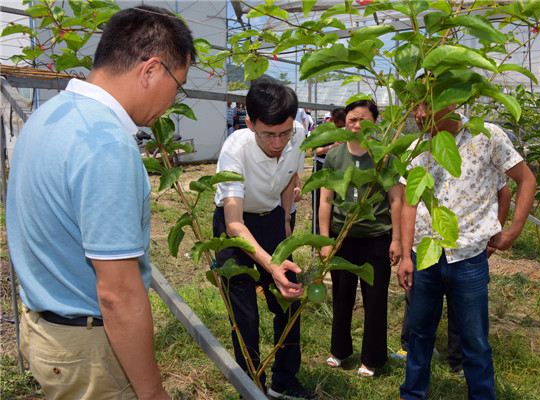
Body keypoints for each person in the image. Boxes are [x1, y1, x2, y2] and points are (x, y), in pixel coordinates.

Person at [6, 6, 196, 400]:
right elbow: (117, 295)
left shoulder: (48, 116)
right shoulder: (107, 144)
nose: (173, 98)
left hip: (44, 328)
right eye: (179, 84)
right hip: (89, 347)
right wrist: (152, 391)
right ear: (152, 70)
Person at [397, 96, 536, 399]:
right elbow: (409, 203)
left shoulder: (486, 136)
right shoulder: (417, 148)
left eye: (427, 104)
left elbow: (526, 180)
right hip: (425, 255)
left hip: (468, 258)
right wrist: (406, 255)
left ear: (452, 101)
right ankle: (412, 394)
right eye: (415, 106)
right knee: (420, 334)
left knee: (474, 340)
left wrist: (512, 231)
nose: (419, 113)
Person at [212, 78, 316, 399]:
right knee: (245, 315)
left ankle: (284, 382)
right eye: (268, 134)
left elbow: (290, 178)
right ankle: (251, 386)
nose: (278, 142)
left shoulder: (297, 136)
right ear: (249, 123)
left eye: (284, 132)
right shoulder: (235, 150)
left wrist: (286, 223)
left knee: (289, 299)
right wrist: (271, 266)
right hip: (235, 229)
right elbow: (233, 224)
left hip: (271, 219)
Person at [319, 100, 402, 377]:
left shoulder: (385, 157)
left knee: (375, 300)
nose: (356, 125)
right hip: (343, 236)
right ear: (345, 121)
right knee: (342, 297)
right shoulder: (334, 156)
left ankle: (372, 358)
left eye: (363, 120)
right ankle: (340, 351)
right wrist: (325, 240)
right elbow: (326, 200)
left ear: (376, 122)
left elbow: (396, 200)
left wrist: (397, 239)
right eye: (352, 119)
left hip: (376, 237)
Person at [394, 179, 512, 374]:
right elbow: (408, 200)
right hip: (426, 246)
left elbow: (504, 193)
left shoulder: (479, 153)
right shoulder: (419, 151)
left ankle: (459, 359)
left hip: (463, 252)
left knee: (460, 305)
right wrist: (403, 249)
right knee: (416, 303)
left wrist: (495, 234)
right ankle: (409, 349)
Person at [310, 107, 345, 234]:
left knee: (335, 204)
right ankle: (318, 237)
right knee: (320, 204)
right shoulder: (319, 128)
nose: (340, 129)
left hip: (339, 170)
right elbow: (312, 151)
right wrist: (332, 147)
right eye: (338, 125)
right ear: (331, 119)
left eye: (342, 127)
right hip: (321, 168)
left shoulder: (345, 131)